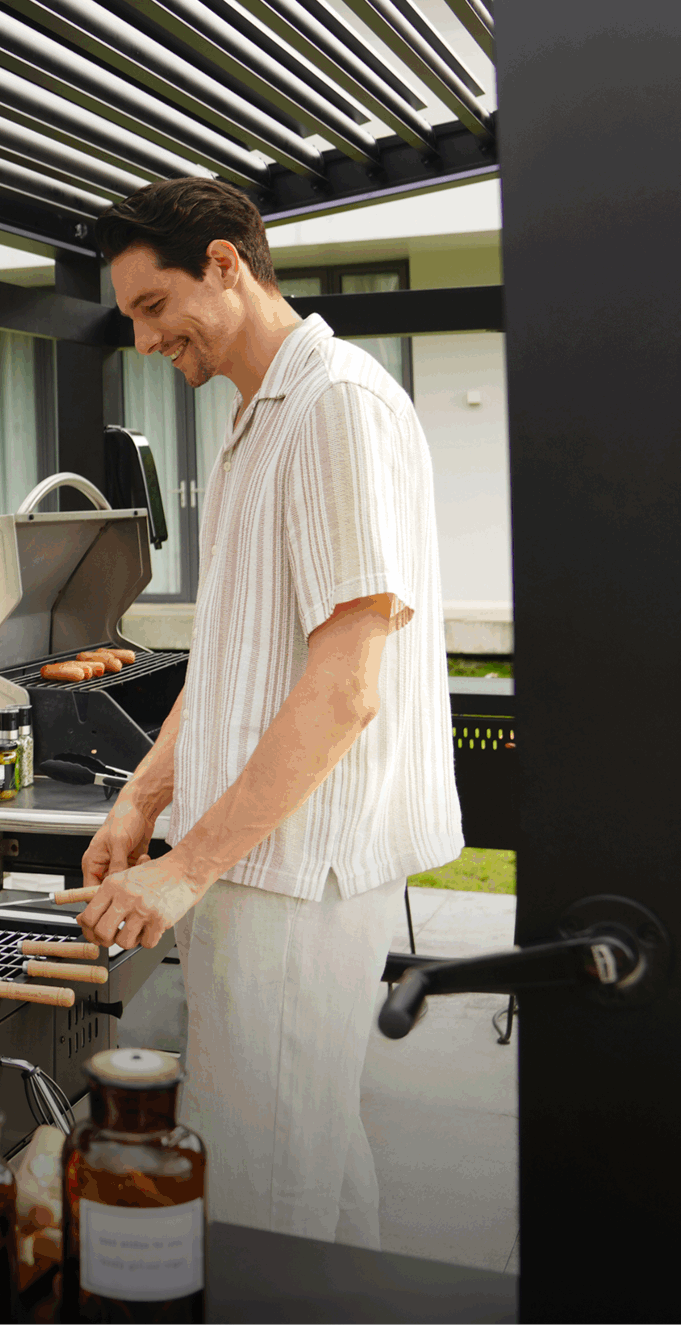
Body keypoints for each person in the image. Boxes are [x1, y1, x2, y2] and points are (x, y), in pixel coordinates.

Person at [74, 178, 461, 1248]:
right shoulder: (258, 417)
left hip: (298, 867)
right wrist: (140, 802)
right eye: (133, 318)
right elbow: (237, 657)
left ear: (228, 265)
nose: (147, 340)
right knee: (313, 1161)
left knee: (257, 1191)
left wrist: (185, 865)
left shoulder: (336, 404)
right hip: (254, 854)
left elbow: (343, 686)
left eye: (156, 306)